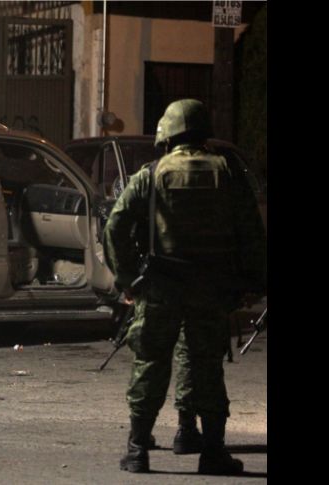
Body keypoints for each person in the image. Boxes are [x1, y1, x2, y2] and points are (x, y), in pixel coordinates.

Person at [103, 99, 266, 475]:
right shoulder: (228, 172)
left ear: (167, 136)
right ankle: (212, 452)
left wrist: (128, 279)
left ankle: (137, 450)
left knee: (150, 362)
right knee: (206, 365)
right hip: (210, 288)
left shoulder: (151, 173)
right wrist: (253, 282)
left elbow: (116, 226)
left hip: (160, 287)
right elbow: (252, 234)